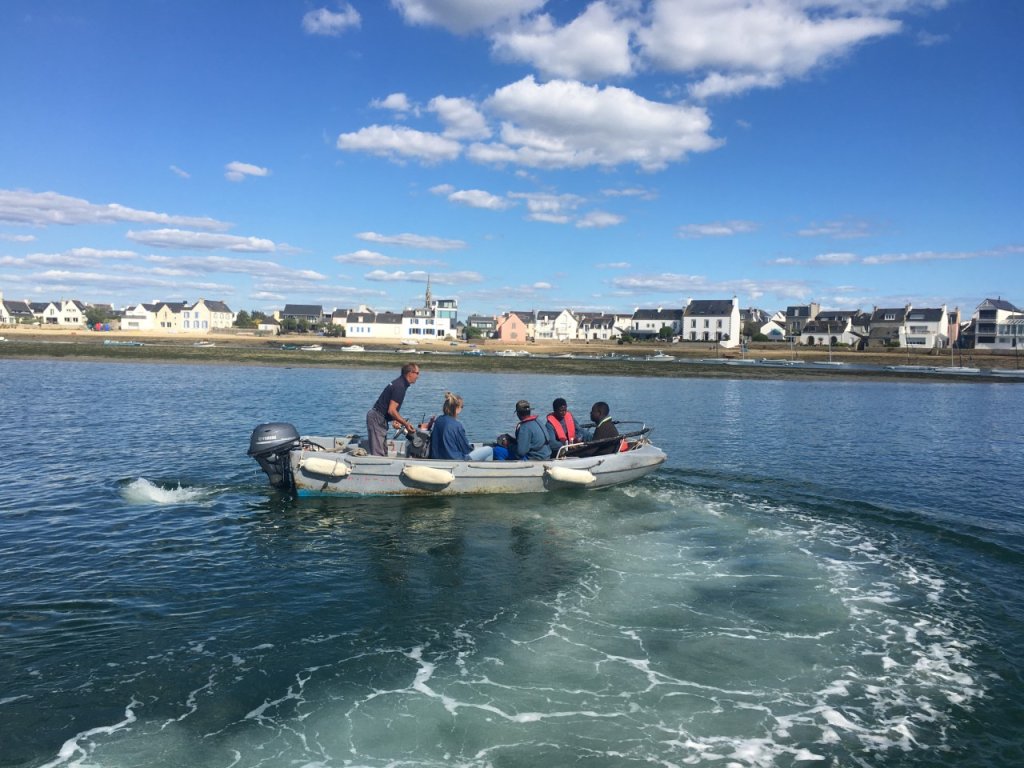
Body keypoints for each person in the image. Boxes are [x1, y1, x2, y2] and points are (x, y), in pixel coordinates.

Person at [365, 363, 420, 456]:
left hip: (380, 418)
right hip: (377, 418)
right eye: (417, 373)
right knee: (378, 454)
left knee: (383, 451)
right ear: (410, 373)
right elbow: (391, 410)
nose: (418, 376)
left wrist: (395, 419)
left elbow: (390, 407)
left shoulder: (400, 383)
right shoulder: (400, 387)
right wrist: (405, 424)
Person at [430, 392, 493, 461]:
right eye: (462, 407)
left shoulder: (438, 420)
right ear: (457, 408)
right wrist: (473, 449)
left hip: (437, 457)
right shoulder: (457, 425)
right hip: (456, 459)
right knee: (489, 450)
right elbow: (466, 450)